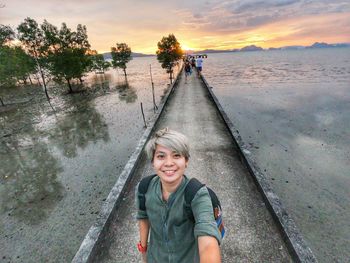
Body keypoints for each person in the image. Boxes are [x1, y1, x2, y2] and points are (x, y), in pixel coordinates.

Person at [136, 128, 222, 263]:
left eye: (176, 155)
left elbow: (207, 240)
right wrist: (143, 250)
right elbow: (143, 217)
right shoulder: (144, 188)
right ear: (153, 162)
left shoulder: (197, 194)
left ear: (186, 161)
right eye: (161, 156)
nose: (169, 163)